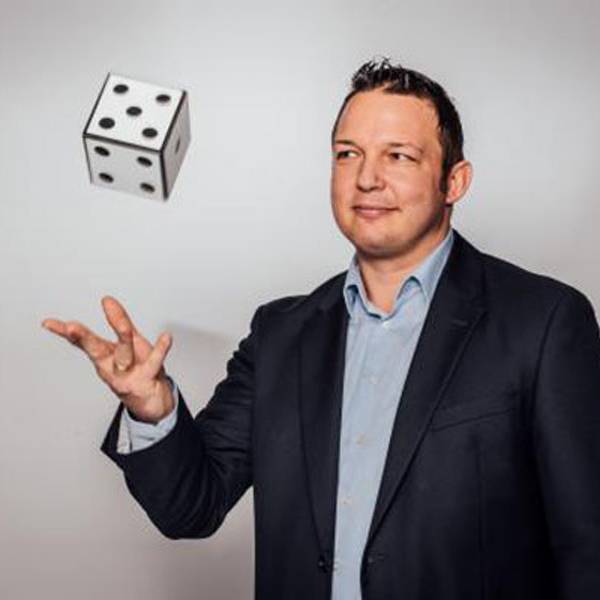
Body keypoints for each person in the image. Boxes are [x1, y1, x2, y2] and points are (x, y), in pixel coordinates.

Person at [42, 57, 600, 599]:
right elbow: (192, 506)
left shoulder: (544, 322)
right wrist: (152, 409)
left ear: (454, 181)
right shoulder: (279, 335)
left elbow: (587, 545)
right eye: (347, 154)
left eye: (399, 156)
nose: (367, 179)